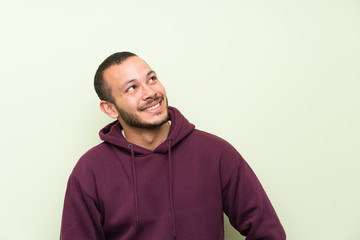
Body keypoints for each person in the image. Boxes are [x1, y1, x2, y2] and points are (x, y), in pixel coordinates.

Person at [60, 51, 286, 240]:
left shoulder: (216, 154)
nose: (150, 93)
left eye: (151, 79)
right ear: (110, 109)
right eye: (132, 88)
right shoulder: (89, 171)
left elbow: (267, 231)